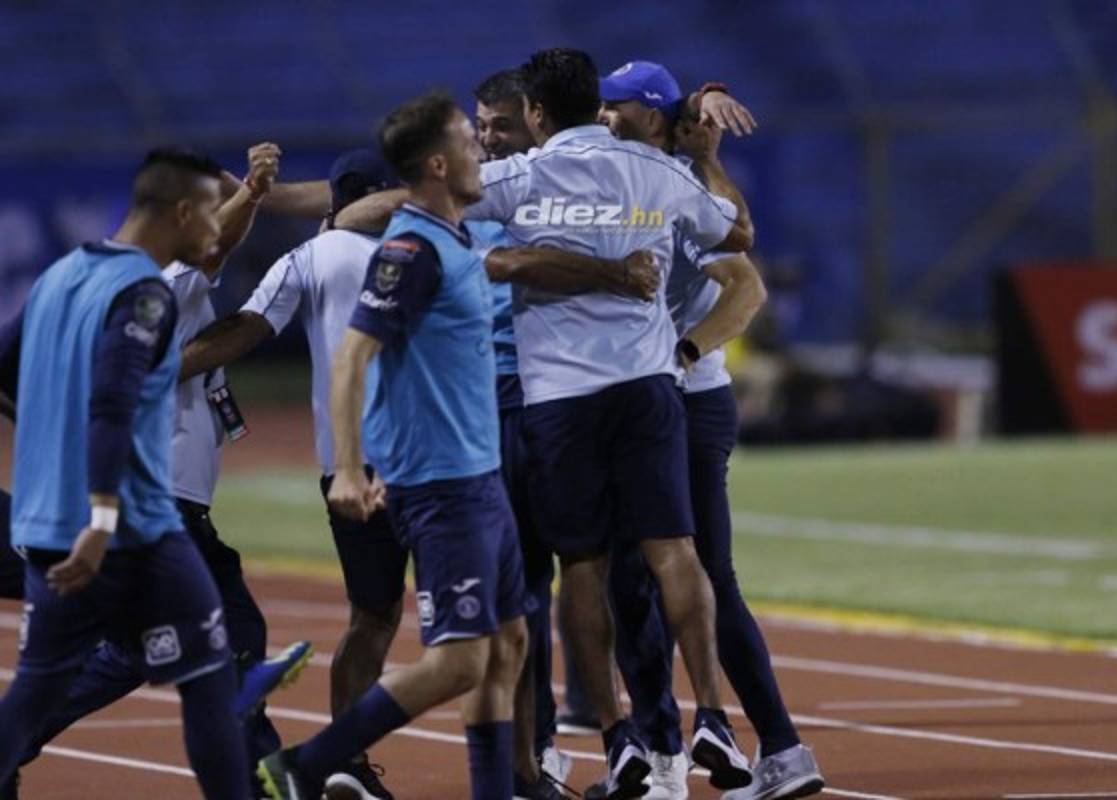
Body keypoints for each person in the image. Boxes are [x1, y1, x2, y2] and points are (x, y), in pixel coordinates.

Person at [464, 47, 754, 798]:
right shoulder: (655, 172)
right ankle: (714, 719)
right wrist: (708, 158)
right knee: (674, 552)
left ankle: (618, 736)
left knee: (581, 567)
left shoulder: (517, 176)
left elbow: (425, 204)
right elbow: (735, 232)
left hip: (558, 398)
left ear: (534, 116)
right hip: (648, 386)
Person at [1, 144, 313, 800]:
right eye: (205, 213)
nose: (213, 231)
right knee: (205, 661)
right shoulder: (146, 292)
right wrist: (105, 512)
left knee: (70, 677)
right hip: (135, 519)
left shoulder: (59, 277)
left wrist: (48, 451)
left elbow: (10, 369)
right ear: (179, 212)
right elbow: (115, 400)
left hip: (61, 514)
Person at [257, 91, 527, 800]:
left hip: (481, 476)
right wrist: (348, 467)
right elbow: (351, 357)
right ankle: (305, 767)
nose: (483, 151)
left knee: (509, 647)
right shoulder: (410, 252)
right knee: (464, 660)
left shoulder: (454, 236)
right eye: (471, 140)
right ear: (438, 163)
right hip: (441, 485)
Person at [596, 61, 825, 800]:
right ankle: (775, 751)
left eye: (617, 107)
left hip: (675, 398)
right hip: (677, 396)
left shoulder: (680, 191)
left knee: (644, 576)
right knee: (696, 578)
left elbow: (746, 281)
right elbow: (693, 101)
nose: (603, 117)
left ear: (652, 118)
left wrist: (678, 352)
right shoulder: (648, 176)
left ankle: (669, 759)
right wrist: (714, 95)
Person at [184, 148, 407, 800]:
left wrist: (159, 367)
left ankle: (347, 763)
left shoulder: (312, 257)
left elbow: (247, 328)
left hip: (350, 464)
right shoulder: (432, 248)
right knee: (488, 621)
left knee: (371, 617)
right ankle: (519, 767)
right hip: (440, 460)